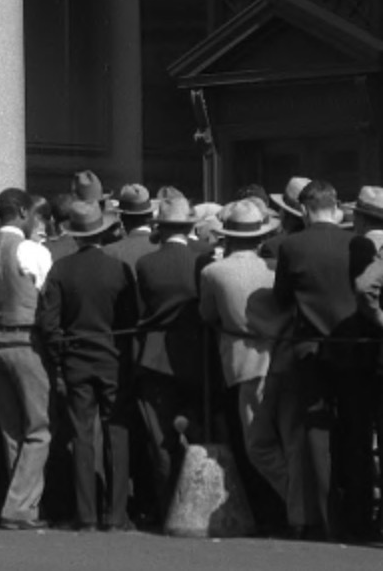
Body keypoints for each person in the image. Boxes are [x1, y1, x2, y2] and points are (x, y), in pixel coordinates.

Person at [272, 178, 371, 540]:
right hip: (356, 348)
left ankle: (330, 520)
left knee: (318, 436)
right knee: (358, 432)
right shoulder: (357, 244)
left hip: (310, 351)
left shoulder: (293, 245)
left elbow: (282, 298)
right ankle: (361, 516)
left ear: (303, 209)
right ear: (337, 206)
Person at [39, 200, 137, 532]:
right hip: (112, 357)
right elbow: (130, 319)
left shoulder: (60, 269)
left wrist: (59, 358)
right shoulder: (119, 269)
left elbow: (48, 323)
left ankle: (86, 514)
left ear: (75, 236)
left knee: (81, 435)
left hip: (75, 359)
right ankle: (118, 513)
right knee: (118, 433)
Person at [198, 197, 296, 531]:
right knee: (287, 440)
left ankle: (297, 506)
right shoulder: (274, 269)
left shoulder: (213, 272)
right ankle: (300, 507)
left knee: (258, 445)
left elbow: (207, 315)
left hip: (246, 361)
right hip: (285, 356)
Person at [0, 187, 54, 530]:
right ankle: (19, 507)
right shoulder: (30, 249)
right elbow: (47, 294)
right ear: (23, 212)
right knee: (39, 429)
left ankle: (23, 505)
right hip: (25, 341)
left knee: (11, 431)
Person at [132, 192, 207, 522]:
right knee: (201, 432)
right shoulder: (203, 259)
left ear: (159, 228)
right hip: (197, 355)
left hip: (156, 356)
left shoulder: (147, 263)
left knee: (160, 438)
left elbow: (140, 310)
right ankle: (200, 505)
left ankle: (167, 509)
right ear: (189, 225)